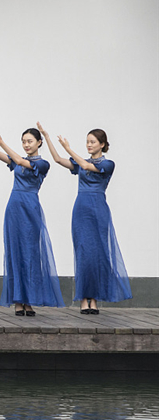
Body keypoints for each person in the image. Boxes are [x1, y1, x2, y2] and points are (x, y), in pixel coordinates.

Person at [43, 124, 131, 313]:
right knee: (83, 252)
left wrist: (68, 148)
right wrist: (47, 137)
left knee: (98, 254)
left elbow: (85, 166)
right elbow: (58, 159)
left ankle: (95, 299)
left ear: (102, 144)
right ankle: (84, 299)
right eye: (87, 142)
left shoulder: (108, 164)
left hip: (98, 209)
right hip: (81, 209)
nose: (89, 145)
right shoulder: (80, 161)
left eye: (92, 142)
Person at [0, 118, 64, 315]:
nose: (26, 145)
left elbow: (20, 161)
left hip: (30, 206)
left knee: (30, 252)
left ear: (39, 143)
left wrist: (2, 140)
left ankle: (29, 300)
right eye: (23, 141)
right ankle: (18, 300)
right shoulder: (17, 160)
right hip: (14, 206)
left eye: (29, 141)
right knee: (15, 252)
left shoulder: (42, 164)